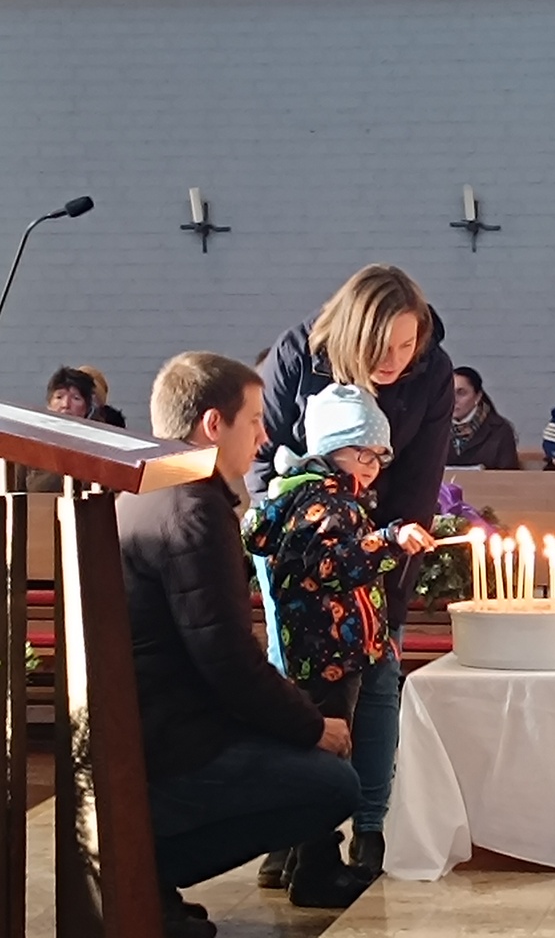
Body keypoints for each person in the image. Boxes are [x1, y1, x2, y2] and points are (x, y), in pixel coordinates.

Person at [117, 352, 367, 937]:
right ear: (213, 424)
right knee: (333, 785)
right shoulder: (194, 511)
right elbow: (227, 660)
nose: (263, 437)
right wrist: (311, 726)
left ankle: (144, 876)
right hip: (175, 743)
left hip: (148, 726)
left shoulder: (142, 492)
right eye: (253, 420)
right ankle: (142, 876)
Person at [248, 263, 453, 878]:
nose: (395, 360)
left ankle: (369, 828)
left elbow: (417, 484)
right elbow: (261, 459)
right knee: (295, 689)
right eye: (382, 346)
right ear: (351, 335)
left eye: (406, 345)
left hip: (378, 543)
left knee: (380, 677)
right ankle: (290, 832)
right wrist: (293, 544)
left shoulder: (431, 372)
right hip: (298, 548)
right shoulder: (296, 353)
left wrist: (386, 578)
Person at [244, 383, 434, 742]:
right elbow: (330, 566)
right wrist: (388, 540)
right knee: (331, 746)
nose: (373, 466)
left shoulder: (334, 498)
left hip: (333, 652)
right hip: (325, 657)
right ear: (331, 447)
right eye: (364, 453)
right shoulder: (326, 503)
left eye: (380, 457)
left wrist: (376, 640)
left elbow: (356, 588)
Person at [17, 367, 97, 492]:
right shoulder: (31, 445)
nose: (66, 405)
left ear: (87, 408)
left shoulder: (96, 448)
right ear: (49, 404)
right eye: (59, 397)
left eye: (76, 398)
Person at [448, 366, 519, 469]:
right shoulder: (434, 428)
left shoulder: (499, 430)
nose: (454, 400)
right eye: (449, 393)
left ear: (478, 396)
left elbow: (509, 473)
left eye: (461, 393)